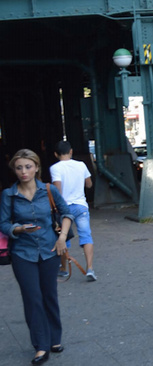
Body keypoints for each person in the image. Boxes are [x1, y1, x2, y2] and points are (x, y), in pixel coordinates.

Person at [0, 149, 74, 364]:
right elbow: (3, 223)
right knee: (32, 298)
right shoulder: (8, 194)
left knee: (49, 295)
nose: (24, 171)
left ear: (36, 167)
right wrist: (19, 229)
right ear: (14, 169)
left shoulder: (49, 190)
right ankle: (41, 346)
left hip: (50, 250)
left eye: (28, 166)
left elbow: (66, 212)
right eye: (19, 167)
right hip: (23, 253)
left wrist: (61, 239)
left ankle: (54, 339)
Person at [50, 141, 96, 281]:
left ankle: (64, 269)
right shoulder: (81, 165)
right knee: (86, 236)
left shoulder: (55, 168)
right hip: (81, 205)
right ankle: (90, 269)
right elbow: (89, 184)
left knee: (64, 237)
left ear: (56, 154)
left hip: (65, 208)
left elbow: (57, 190)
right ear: (71, 151)